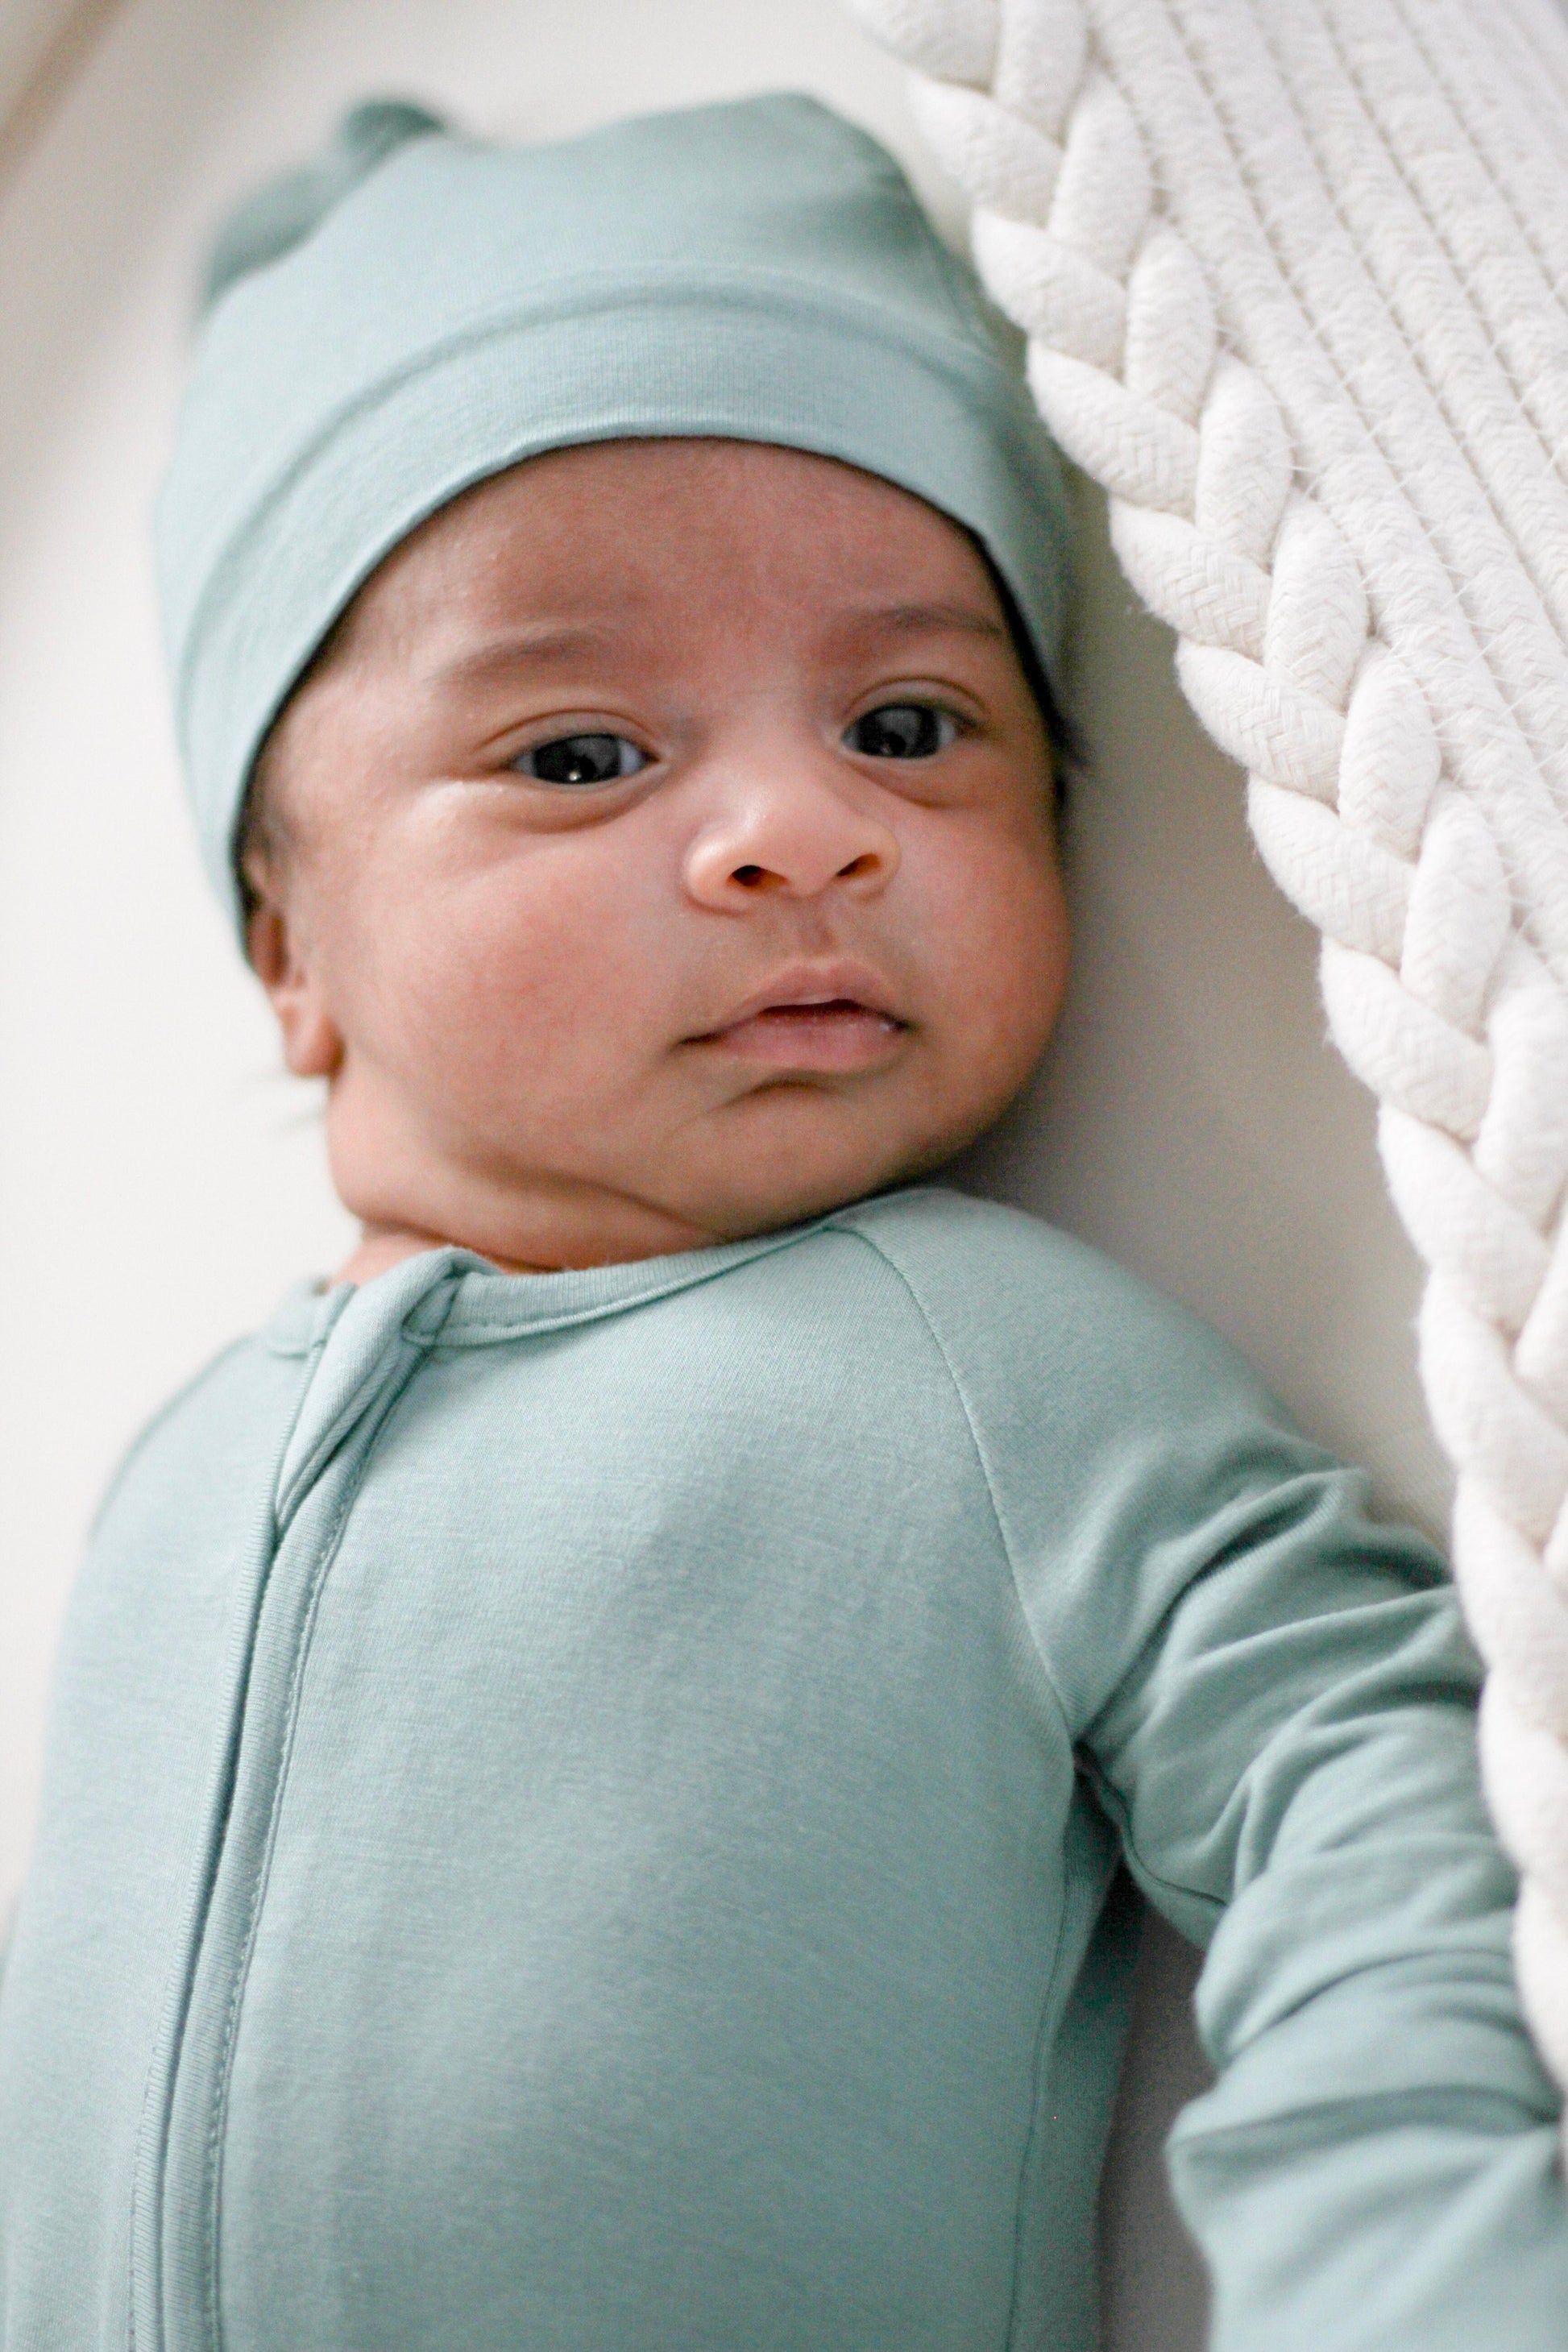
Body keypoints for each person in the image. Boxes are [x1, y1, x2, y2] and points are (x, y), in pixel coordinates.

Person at [0, 91, 1562, 2352]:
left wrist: (1396, 2270)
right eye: (576, 755)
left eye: (911, 722)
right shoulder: (160, 1472)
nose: (797, 832)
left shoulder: (993, 1378)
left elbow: (1372, 1783)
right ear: (288, 951)